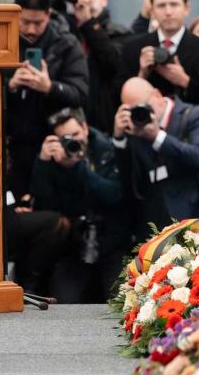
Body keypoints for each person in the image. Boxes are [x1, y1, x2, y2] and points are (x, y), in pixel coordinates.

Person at [31, 107, 129, 303]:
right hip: (72, 248)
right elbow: (45, 206)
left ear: (85, 127)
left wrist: (77, 168)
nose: (73, 141)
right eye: (66, 138)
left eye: (76, 134)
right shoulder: (53, 161)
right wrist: (42, 164)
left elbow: (114, 195)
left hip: (111, 243)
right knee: (63, 304)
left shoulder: (107, 149)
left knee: (122, 304)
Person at [6, 0, 89, 200]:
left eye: (38, 23)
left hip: (51, 141)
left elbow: (80, 93)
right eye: (25, 22)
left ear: (48, 15)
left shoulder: (66, 43)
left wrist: (49, 87)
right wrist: (10, 86)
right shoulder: (2, 40)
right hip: (9, 143)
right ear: (16, 14)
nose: (31, 30)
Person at [114, 77, 199, 242]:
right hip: (154, 229)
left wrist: (158, 137)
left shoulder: (195, 115)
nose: (140, 114)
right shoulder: (135, 130)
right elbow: (129, 182)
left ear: (157, 94)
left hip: (196, 221)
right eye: (132, 111)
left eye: (142, 107)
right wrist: (119, 139)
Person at [117, 0, 199, 114]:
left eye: (174, 5)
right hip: (143, 124)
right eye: (161, 6)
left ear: (186, 9)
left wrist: (185, 81)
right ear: (152, 11)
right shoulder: (133, 47)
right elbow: (117, 96)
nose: (168, 12)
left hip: (190, 126)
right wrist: (142, 75)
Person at [72, 0, 132, 134]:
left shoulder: (119, 32)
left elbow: (113, 64)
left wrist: (88, 22)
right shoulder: (66, 33)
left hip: (104, 119)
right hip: (72, 118)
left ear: (104, 1)